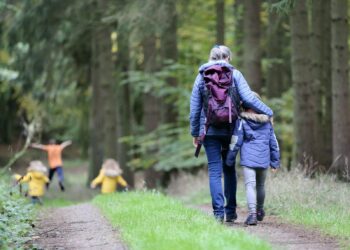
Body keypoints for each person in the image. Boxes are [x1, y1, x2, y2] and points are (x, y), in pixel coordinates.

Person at [189, 45, 273, 223]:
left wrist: (195, 133)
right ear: (228, 58)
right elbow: (249, 99)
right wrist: (268, 112)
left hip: (209, 130)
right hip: (231, 129)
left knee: (214, 170)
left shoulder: (201, 76)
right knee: (229, 169)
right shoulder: (235, 74)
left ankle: (218, 214)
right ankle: (231, 212)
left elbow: (195, 109)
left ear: (210, 58)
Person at [226, 92, 280, 225]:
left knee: (250, 185)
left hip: (248, 159)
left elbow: (236, 141)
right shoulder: (267, 122)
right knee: (261, 185)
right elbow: (274, 143)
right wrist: (275, 162)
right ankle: (260, 210)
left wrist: (230, 158)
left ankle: (252, 214)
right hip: (263, 158)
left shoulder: (242, 121)